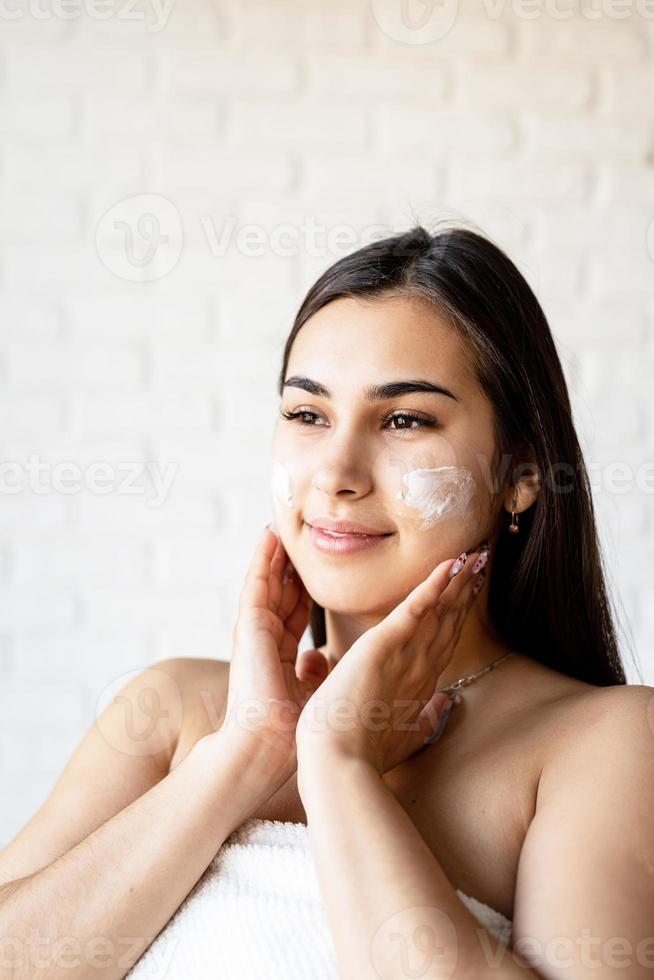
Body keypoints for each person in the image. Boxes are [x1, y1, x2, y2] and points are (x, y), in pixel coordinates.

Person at [0, 224, 650, 980]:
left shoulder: (603, 743)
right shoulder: (174, 710)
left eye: (405, 419)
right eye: (308, 415)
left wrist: (339, 766)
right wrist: (244, 754)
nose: (336, 473)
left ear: (522, 475)